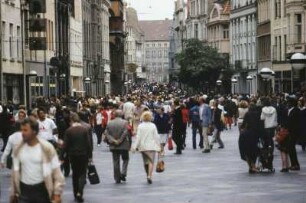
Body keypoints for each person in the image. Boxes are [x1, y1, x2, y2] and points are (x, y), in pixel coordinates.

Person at [10, 118, 64, 203]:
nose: (22, 133)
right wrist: (13, 193)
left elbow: (57, 172)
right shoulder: (18, 149)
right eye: (21, 130)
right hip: (24, 191)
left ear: (34, 131)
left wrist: (57, 193)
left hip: (42, 190)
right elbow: (14, 172)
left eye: (25, 130)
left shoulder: (47, 148)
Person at [62, 113, 92, 202]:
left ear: (71, 120)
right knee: (82, 173)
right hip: (83, 154)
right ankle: (80, 191)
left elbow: (65, 145)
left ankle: (76, 193)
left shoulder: (69, 131)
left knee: (75, 174)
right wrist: (90, 155)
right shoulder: (84, 130)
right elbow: (88, 144)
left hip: (73, 155)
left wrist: (61, 156)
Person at [133, 111, 161, 184]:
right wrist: (159, 146)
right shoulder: (153, 125)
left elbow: (138, 137)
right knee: (151, 162)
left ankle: (147, 174)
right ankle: (149, 176)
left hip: (143, 147)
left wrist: (134, 146)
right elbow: (156, 136)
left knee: (145, 162)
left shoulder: (140, 126)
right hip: (151, 146)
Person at [105, 110, 130, 184]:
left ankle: (117, 177)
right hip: (123, 145)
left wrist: (113, 140)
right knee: (125, 159)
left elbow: (107, 133)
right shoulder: (125, 122)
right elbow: (125, 132)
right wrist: (120, 140)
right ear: (121, 114)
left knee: (115, 161)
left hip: (113, 145)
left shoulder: (110, 122)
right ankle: (123, 173)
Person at [239, 104, 261, 173]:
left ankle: (250, 167)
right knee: (254, 151)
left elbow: (243, 124)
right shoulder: (258, 114)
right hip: (255, 134)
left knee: (246, 151)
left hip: (246, 134)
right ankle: (253, 166)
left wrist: (242, 129)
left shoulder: (247, 114)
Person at [285, 97, 301, 171]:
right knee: (291, 148)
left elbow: (296, 122)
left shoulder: (296, 111)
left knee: (291, 148)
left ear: (292, 103)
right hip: (290, 132)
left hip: (294, 132)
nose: (287, 104)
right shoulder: (290, 110)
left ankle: (295, 164)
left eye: (289, 102)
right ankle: (294, 164)